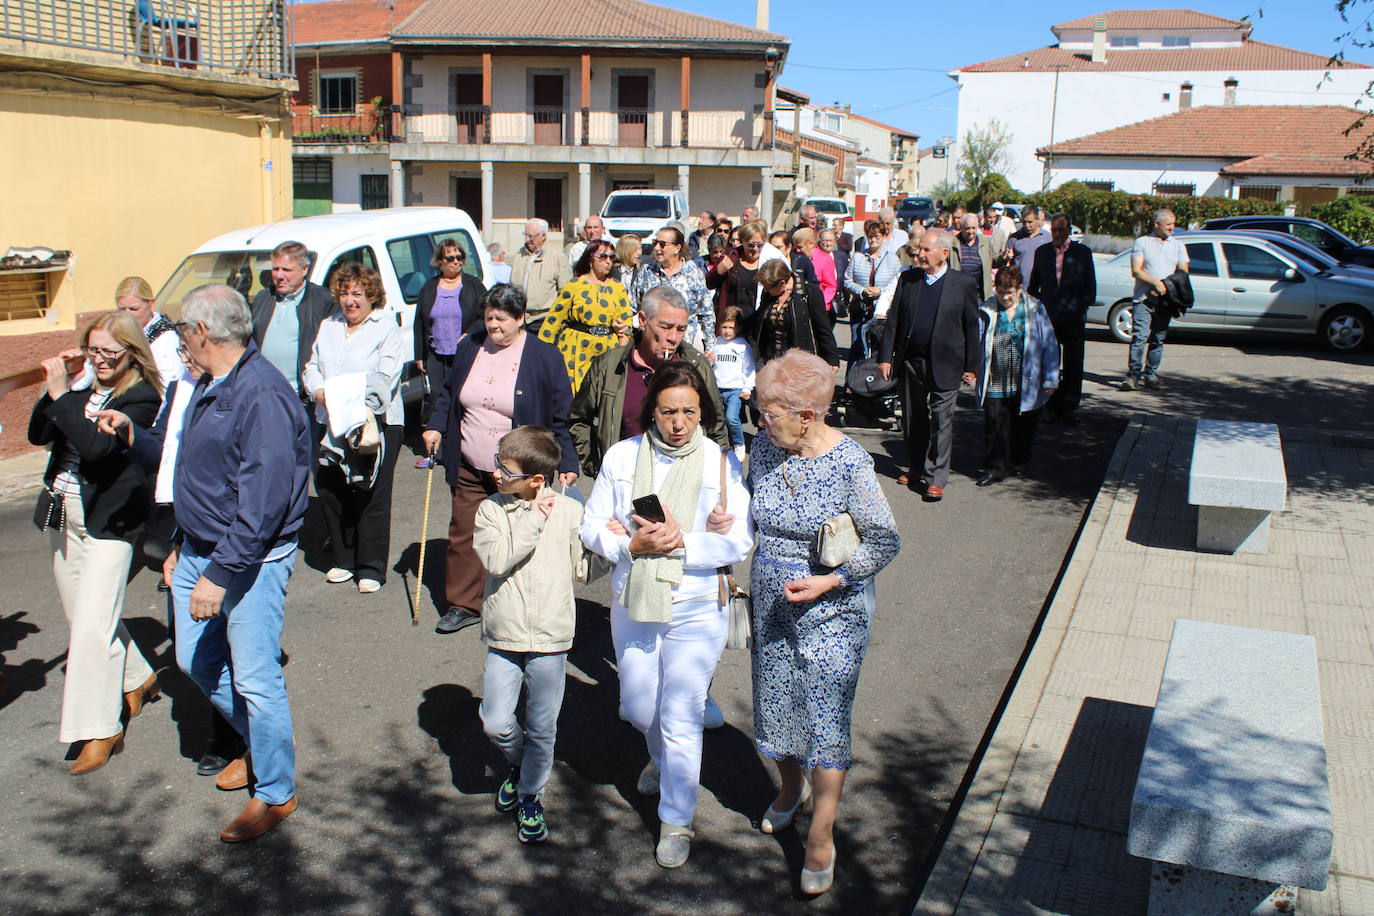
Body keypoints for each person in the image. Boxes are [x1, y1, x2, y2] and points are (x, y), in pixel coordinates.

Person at [100, 283, 312, 842]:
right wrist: (134, 442)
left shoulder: (260, 395)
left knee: (256, 678)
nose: (177, 342)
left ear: (201, 333)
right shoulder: (205, 382)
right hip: (197, 547)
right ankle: (265, 745)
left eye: (181, 332)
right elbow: (184, 464)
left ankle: (275, 790)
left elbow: (262, 503)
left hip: (246, 558)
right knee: (195, 662)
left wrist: (220, 573)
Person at [580, 362, 754, 869]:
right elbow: (594, 527)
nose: (679, 422)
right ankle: (659, 757)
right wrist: (627, 543)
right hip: (635, 597)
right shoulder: (622, 456)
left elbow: (738, 540)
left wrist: (682, 543)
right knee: (638, 707)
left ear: (703, 411)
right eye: (668, 411)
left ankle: (676, 817)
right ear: (650, 410)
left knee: (681, 714)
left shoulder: (723, 464)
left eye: (689, 411)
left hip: (698, 604)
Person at [747, 349, 900, 896]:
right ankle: (791, 791)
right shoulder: (764, 447)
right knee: (778, 703)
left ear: (807, 414)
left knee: (826, 713)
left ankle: (820, 833)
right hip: (770, 598)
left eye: (769, 412)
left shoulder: (851, 463)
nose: (760, 421)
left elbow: (885, 539)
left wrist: (830, 581)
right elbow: (751, 509)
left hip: (833, 605)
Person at [29, 311, 163, 775]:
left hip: (111, 524)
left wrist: (64, 397)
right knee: (86, 618)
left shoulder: (141, 397)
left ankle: (100, 728)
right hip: (64, 516)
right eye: (94, 350)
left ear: (132, 353)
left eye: (111, 351)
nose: (101, 360)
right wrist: (60, 390)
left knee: (88, 630)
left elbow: (99, 450)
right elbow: (38, 434)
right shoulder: (82, 390)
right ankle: (139, 677)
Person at [421, 285, 579, 635]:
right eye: (489, 317)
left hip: (519, 471)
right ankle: (464, 603)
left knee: (521, 532)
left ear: (521, 318)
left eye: (502, 319)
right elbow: (448, 393)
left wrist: (567, 460)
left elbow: (560, 416)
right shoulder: (470, 346)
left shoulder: (544, 356)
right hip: (470, 460)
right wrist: (435, 426)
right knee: (465, 531)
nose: (494, 325)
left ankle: (523, 602)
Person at [473, 426, 587, 846]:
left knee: (543, 727)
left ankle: (530, 795)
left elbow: (584, 570)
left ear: (537, 480)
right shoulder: (490, 510)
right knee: (496, 722)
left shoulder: (571, 511)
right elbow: (496, 558)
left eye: (506, 469)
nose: (497, 473)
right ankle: (522, 767)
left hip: (552, 636)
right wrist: (533, 521)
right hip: (505, 633)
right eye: (498, 463)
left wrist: (617, 547)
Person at [302, 263, 406, 593]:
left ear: (372, 296)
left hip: (374, 423)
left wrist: (344, 397)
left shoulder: (384, 327)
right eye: (345, 293)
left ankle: (370, 566)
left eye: (357, 294)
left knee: (371, 492)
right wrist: (319, 392)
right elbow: (311, 367)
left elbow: (386, 377)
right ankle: (343, 559)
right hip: (330, 419)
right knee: (331, 487)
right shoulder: (329, 325)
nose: (350, 300)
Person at [568, 286, 727, 478]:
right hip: (625, 477)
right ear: (643, 321)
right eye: (665, 327)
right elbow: (578, 419)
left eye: (681, 329)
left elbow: (716, 425)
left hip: (682, 478)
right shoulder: (611, 365)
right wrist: (596, 465)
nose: (673, 338)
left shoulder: (697, 366)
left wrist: (719, 476)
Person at [877, 229, 980, 501]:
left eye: (925, 250)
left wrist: (972, 365)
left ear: (944, 254)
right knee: (914, 420)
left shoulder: (963, 284)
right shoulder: (908, 279)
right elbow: (894, 321)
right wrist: (886, 357)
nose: (919, 254)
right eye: (918, 249)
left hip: (947, 364)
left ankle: (936, 478)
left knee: (941, 422)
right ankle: (916, 467)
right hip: (912, 362)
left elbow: (971, 327)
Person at [975, 269, 1060, 486]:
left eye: (1009, 293)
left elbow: (1049, 344)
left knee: (1023, 424)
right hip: (996, 375)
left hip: (1025, 378)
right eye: (1001, 292)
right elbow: (975, 340)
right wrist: (971, 368)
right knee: (994, 423)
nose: (1004, 297)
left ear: (1019, 289)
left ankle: (1019, 459)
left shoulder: (1034, 308)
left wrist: (1051, 379)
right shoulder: (987, 309)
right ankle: (995, 467)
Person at [248, 240, 338, 405]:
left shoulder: (323, 301)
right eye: (275, 269)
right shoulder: (263, 298)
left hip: (303, 398)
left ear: (304, 270)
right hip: (264, 394)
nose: (279, 275)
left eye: (287, 269)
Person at [537, 239, 634, 391]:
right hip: (576, 349)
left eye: (611, 257)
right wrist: (540, 352)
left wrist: (622, 348)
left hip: (607, 350)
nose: (608, 262)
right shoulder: (574, 285)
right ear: (590, 259)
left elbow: (627, 320)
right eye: (603, 257)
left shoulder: (617, 287)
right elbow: (554, 319)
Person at [1029, 213, 1096, 425]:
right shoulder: (1042, 252)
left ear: (1068, 230)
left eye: (1061, 230)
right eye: (1054, 230)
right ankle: (1051, 406)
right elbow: (1034, 285)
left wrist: (1080, 307)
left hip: (1073, 318)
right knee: (1049, 364)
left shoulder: (1082, 252)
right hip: (1049, 318)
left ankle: (1069, 407)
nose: (1057, 234)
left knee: (1073, 364)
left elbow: (1090, 285)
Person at [414, 239, 487, 423]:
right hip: (436, 353)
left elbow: (486, 314)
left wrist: (469, 333)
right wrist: (420, 355)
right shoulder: (430, 287)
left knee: (462, 395)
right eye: (450, 258)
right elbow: (420, 322)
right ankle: (439, 438)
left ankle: (462, 434)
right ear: (440, 261)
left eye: (459, 257)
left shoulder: (473, 285)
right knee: (438, 396)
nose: (456, 261)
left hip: (464, 352)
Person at [1125, 209, 1188, 390]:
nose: (1172, 228)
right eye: (1169, 224)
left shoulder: (1177, 245)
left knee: (1158, 339)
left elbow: (1183, 272)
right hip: (1143, 299)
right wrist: (1155, 283)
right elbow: (1136, 270)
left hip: (1165, 300)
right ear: (1157, 224)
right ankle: (1133, 375)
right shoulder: (1142, 242)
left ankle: (1151, 374)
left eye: (1173, 224)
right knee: (1139, 337)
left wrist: (1165, 286)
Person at [630, 227, 714, 358]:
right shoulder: (646, 272)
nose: (657, 248)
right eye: (655, 243)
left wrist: (710, 347)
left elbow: (706, 313)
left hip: (683, 350)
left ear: (677, 248)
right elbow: (633, 306)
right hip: (650, 349)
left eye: (662, 244)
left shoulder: (693, 274)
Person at [752, 259, 839, 368]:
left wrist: (832, 359)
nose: (765, 289)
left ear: (782, 283)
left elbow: (823, 328)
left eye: (768, 287)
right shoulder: (768, 294)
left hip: (799, 361)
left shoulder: (809, 292)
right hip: (771, 360)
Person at [706, 221, 786, 328]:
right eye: (751, 245)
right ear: (742, 241)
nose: (755, 249)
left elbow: (786, 280)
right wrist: (718, 271)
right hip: (731, 325)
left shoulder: (771, 259)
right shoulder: (731, 256)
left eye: (760, 245)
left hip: (758, 324)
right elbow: (709, 284)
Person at [845, 220, 904, 359]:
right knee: (857, 344)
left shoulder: (893, 259)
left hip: (881, 312)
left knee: (878, 346)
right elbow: (847, 280)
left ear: (883, 237)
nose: (873, 240)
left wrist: (881, 292)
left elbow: (898, 285)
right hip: (860, 308)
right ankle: (853, 378)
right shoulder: (857, 257)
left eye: (877, 237)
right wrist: (862, 291)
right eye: (870, 237)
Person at [114, 276, 183, 385]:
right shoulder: (116, 332)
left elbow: (168, 386)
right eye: (122, 309)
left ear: (151, 305)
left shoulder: (167, 339)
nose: (127, 315)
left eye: (134, 309)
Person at [510, 218, 573, 331]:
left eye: (531, 236)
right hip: (520, 318)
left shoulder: (558, 258)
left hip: (544, 319)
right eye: (525, 235)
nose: (527, 239)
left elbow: (565, 292)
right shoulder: (518, 256)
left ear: (543, 236)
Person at [713, 306, 756, 460]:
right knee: (719, 419)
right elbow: (712, 365)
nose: (727, 331)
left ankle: (738, 443)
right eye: (724, 327)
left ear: (738, 328)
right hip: (717, 388)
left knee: (731, 417)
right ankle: (722, 444)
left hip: (735, 390)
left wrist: (748, 388)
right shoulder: (716, 343)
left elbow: (749, 368)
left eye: (731, 327)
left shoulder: (742, 346)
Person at [949, 213, 995, 300]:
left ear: (977, 226)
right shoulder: (953, 243)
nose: (971, 231)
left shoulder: (985, 242)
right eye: (967, 228)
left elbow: (992, 260)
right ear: (961, 228)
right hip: (960, 290)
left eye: (973, 228)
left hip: (979, 291)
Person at [1007, 205, 1051, 287]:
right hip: (1019, 289)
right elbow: (1006, 265)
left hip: (1042, 289)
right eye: (1024, 222)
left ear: (1037, 220)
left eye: (1030, 222)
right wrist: (1005, 257)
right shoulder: (1014, 238)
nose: (1027, 225)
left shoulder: (1048, 238)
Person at [811, 229, 840, 320]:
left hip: (836, 301)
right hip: (822, 302)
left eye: (830, 241)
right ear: (819, 241)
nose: (828, 244)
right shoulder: (814, 255)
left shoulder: (841, 257)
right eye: (825, 241)